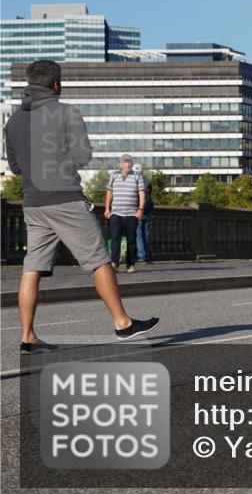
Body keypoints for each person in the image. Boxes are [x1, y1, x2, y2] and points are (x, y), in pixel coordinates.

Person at [3, 60, 159, 352]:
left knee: (32, 267)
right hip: (64, 199)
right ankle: (123, 323)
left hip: (33, 202)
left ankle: (28, 337)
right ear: (56, 84)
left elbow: (15, 168)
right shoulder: (65, 112)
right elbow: (84, 155)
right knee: (98, 259)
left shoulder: (13, 121)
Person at [105, 154, 146, 273]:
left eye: (130, 162)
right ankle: (114, 263)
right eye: (126, 162)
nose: (129, 164)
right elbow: (109, 192)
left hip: (131, 214)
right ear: (121, 164)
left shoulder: (137, 176)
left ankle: (130, 264)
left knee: (131, 240)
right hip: (116, 213)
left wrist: (140, 209)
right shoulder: (114, 175)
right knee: (115, 238)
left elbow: (141, 194)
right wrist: (107, 208)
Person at [133, 163, 154, 263]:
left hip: (139, 208)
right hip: (148, 209)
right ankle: (147, 254)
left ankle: (141, 255)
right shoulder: (146, 180)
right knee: (146, 233)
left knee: (138, 233)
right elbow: (150, 192)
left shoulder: (134, 180)